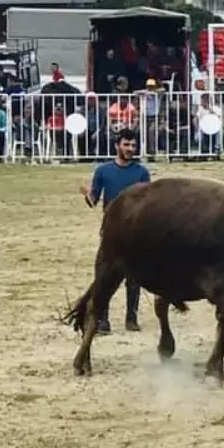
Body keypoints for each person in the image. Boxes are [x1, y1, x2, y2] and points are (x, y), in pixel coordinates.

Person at [77, 127, 151, 333]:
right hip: (111, 231)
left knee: (134, 277)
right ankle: (103, 320)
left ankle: (131, 317)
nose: (130, 149)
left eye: (133, 145)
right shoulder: (103, 171)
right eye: (126, 145)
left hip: (135, 231)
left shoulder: (142, 172)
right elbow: (94, 200)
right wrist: (86, 194)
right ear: (117, 145)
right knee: (106, 276)